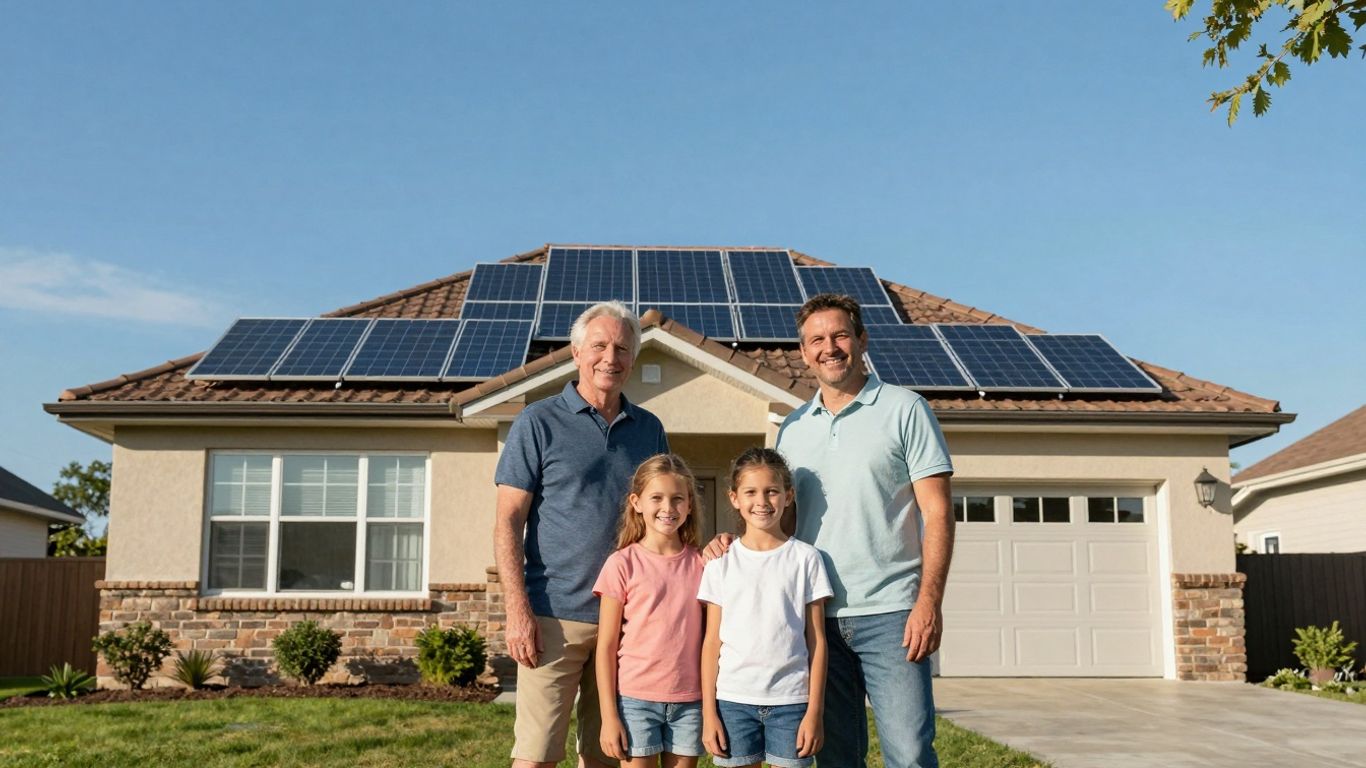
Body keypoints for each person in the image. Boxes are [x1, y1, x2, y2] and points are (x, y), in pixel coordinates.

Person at [777, 293, 955, 768]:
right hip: (816, 616)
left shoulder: (905, 409)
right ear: (803, 351)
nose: (829, 347)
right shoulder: (792, 429)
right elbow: (782, 525)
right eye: (816, 339)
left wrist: (928, 603)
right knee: (835, 757)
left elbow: (937, 513)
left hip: (893, 615)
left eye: (839, 335)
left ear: (861, 339)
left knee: (910, 754)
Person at [494, 301, 670, 768]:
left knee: (611, 754)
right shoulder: (538, 422)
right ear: (576, 352)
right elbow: (509, 520)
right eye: (599, 345)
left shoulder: (650, 430)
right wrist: (517, 610)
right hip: (555, 615)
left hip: (632, 622)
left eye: (622, 348)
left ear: (633, 358)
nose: (610, 357)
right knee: (536, 756)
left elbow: (667, 514)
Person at [699, 447, 831, 768]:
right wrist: (708, 714)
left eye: (772, 491)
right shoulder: (720, 563)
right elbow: (711, 643)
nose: (762, 501)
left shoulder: (806, 559)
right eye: (751, 492)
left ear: (788, 496)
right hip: (733, 701)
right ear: (734, 498)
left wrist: (814, 712)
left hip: (792, 702)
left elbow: (817, 641)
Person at [592, 453, 707, 768]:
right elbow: (606, 647)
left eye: (677, 499)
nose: (668, 508)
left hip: (690, 703)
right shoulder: (622, 564)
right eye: (657, 497)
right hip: (635, 702)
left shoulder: (704, 564)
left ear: (689, 505)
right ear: (636, 502)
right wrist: (609, 716)